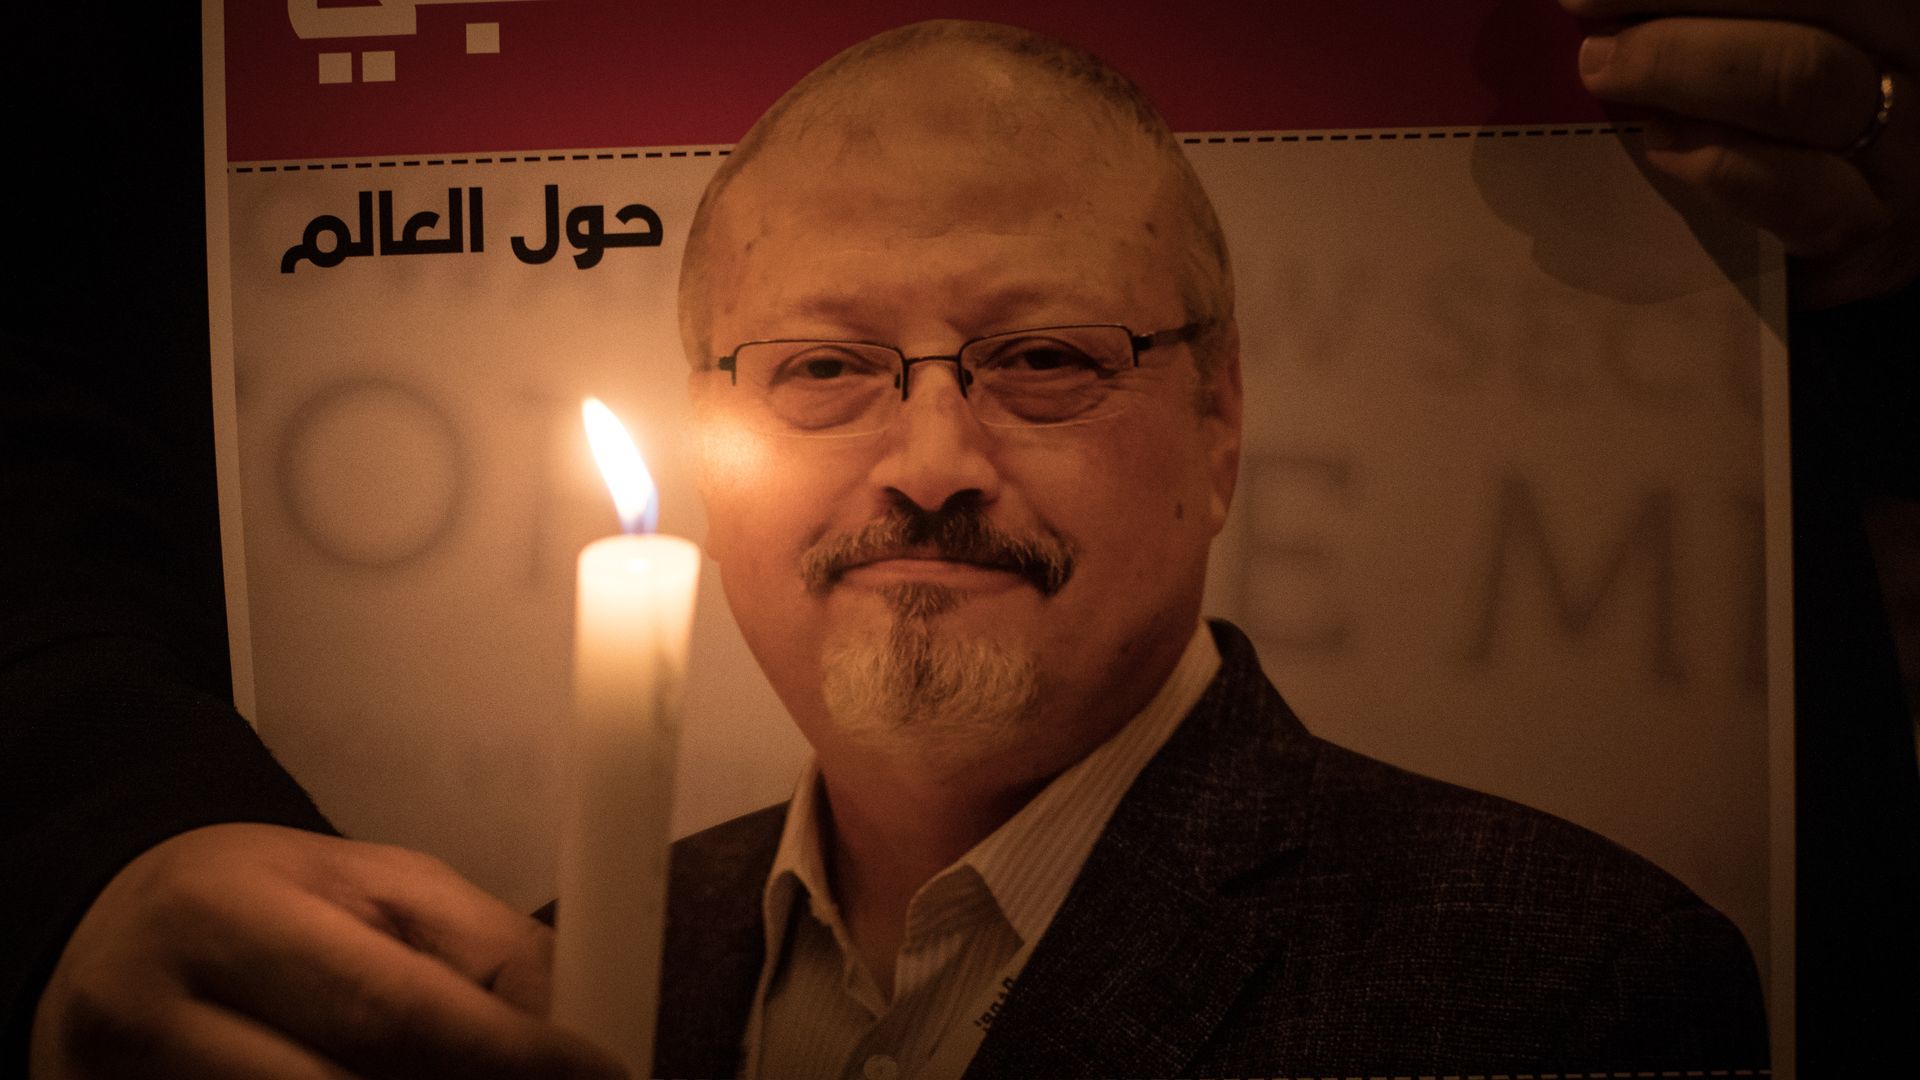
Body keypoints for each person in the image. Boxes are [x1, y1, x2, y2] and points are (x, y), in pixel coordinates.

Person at [7, 3, 1915, 1079]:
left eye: (1046, 361)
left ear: (1224, 417)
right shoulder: (548, 981)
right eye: (824, 368)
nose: (931, 460)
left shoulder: (1570, 981)